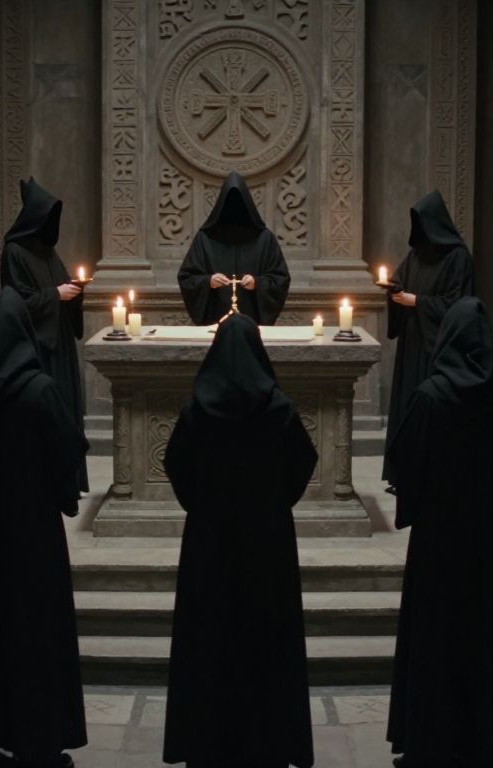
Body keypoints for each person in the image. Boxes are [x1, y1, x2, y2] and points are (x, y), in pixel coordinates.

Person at [0, 288, 88, 768]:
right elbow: (65, 455)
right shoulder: (39, 391)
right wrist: (59, 496)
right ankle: (38, 741)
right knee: (32, 631)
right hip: (31, 537)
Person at [162, 313, 316, 768]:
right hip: (268, 542)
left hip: (209, 543)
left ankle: (207, 744)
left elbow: (176, 467)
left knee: (209, 639)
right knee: (266, 640)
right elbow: (302, 465)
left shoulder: (196, 414)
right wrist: (271, 505)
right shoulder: (280, 412)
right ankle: (268, 744)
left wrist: (205, 507)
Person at [387, 297, 493, 768]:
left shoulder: (431, 398)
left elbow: (406, 467)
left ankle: (432, 740)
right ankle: (480, 738)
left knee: (439, 636)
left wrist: (423, 504)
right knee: (486, 634)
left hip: (441, 542)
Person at [0, 176, 88, 492]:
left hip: (59, 340)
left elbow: (61, 287)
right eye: (48, 216)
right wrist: (55, 295)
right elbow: (15, 301)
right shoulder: (14, 252)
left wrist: (74, 292)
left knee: (65, 409)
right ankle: (46, 481)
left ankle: (68, 480)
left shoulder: (48, 252)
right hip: (37, 347)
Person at [382, 190, 475, 489]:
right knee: (408, 406)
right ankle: (404, 475)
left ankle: (430, 476)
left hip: (438, 348)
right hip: (412, 343)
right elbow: (400, 281)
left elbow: (458, 304)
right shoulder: (417, 254)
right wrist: (393, 289)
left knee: (431, 410)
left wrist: (417, 302)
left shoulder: (458, 257)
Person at [177, 171, 291, 325]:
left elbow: (280, 279)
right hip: (215, 321)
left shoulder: (264, 239)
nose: (234, 208)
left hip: (252, 321)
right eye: (229, 202)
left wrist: (257, 283)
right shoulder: (205, 238)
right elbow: (187, 277)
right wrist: (208, 281)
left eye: (239, 202)